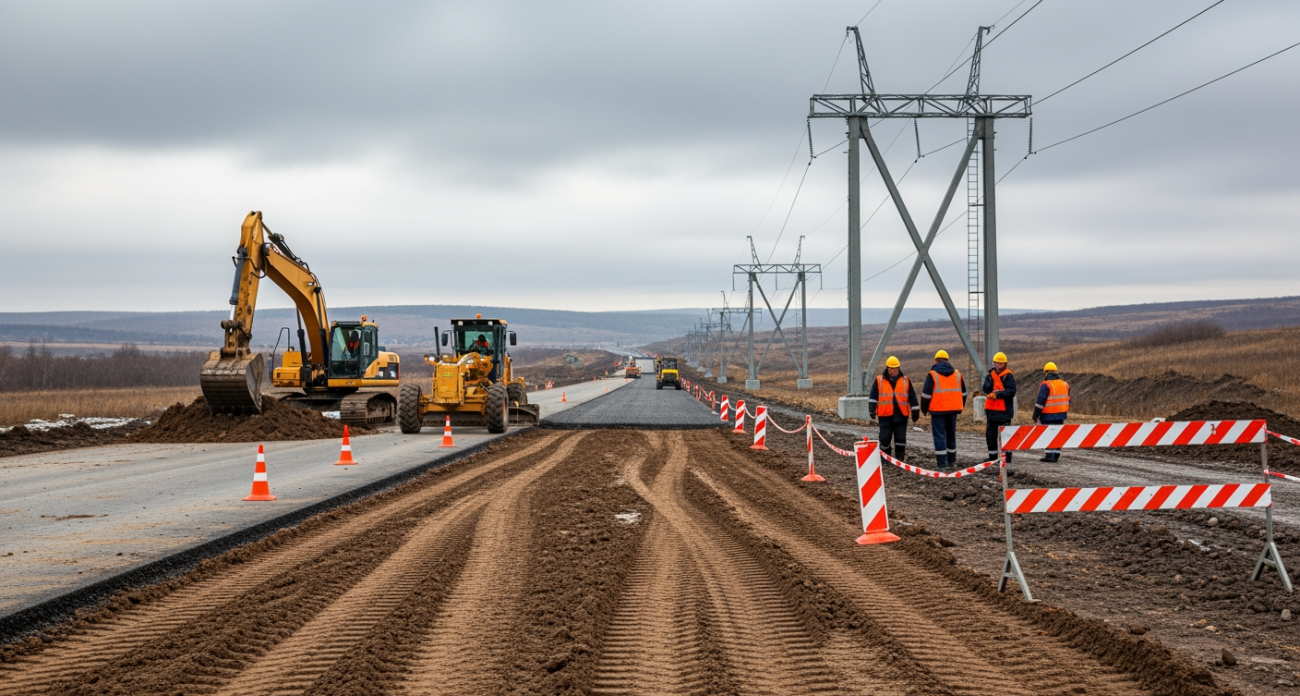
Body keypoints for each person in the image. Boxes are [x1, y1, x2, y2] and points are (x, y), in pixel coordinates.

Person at [920, 350, 967, 470]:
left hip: (938, 411)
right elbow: (964, 393)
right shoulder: (957, 374)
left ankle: (942, 464)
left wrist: (924, 409)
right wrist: (960, 407)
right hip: (953, 410)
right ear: (948, 360)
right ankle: (952, 461)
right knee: (951, 435)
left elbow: (926, 395)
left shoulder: (932, 375)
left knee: (939, 436)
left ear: (935, 361)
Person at [868, 356, 920, 462]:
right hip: (885, 415)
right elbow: (873, 396)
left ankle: (899, 460)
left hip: (901, 415)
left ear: (898, 368)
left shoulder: (905, 381)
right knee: (885, 438)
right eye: (890, 369)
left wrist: (915, 410)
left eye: (895, 369)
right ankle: (885, 458)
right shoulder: (879, 380)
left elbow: (912, 397)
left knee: (900, 439)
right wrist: (871, 409)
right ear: (887, 368)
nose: (893, 371)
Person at [982, 351, 1017, 465]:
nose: (998, 366)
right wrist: (990, 381)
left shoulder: (1008, 376)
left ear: (1005, 364)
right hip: (992, 411)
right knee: (990, 435)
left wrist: (998, 394)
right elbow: (985, 389)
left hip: (1004, 412)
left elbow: (1011, 392)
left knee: (1005, 435)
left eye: (1001, 364)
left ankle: (1007, 457)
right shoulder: (990, 375)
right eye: (997, 363)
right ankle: (992, 457)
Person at [1032, 361, 1071, 462]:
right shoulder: (1064, 384)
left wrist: (1035, 415)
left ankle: (1050, 455)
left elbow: (1040, 402)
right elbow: (1067, 398)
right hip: (1061, 415)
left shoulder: (1046, 385)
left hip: (1048, 415)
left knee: (1048, 434)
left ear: (1046, 373)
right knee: (1057, 433)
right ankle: (1056, 453)